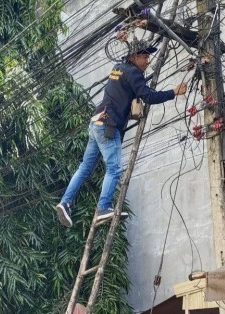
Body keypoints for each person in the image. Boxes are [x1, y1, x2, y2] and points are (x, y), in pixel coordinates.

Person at [55, 40, 187, 227]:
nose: (147, 60)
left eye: (148, 56)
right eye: (144, 56)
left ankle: (65, 202)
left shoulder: (118, 68)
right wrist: (174, 92)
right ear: (134, 56)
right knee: (115, 168)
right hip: (109, 125)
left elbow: (126, 92)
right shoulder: (133, 73)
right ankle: (103, 208)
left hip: (96, 122)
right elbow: (148, 96)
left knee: (85, 167)